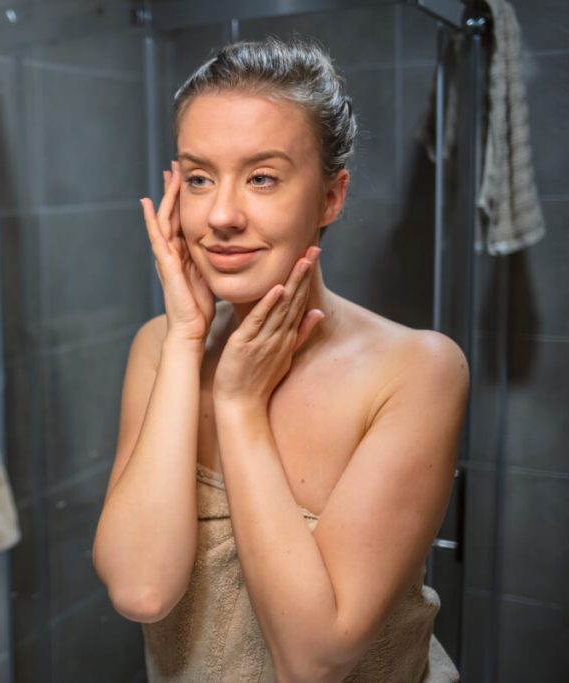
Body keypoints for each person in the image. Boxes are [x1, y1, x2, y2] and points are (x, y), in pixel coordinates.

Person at [92, 38, 467, 682]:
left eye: (262, 177)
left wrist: (239, 407)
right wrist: (187, 341)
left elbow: (312, 661)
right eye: (200, 178)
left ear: (330, 197)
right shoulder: (159, 347)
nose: (222, 216)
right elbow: (141, 591)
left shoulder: (414, 371)